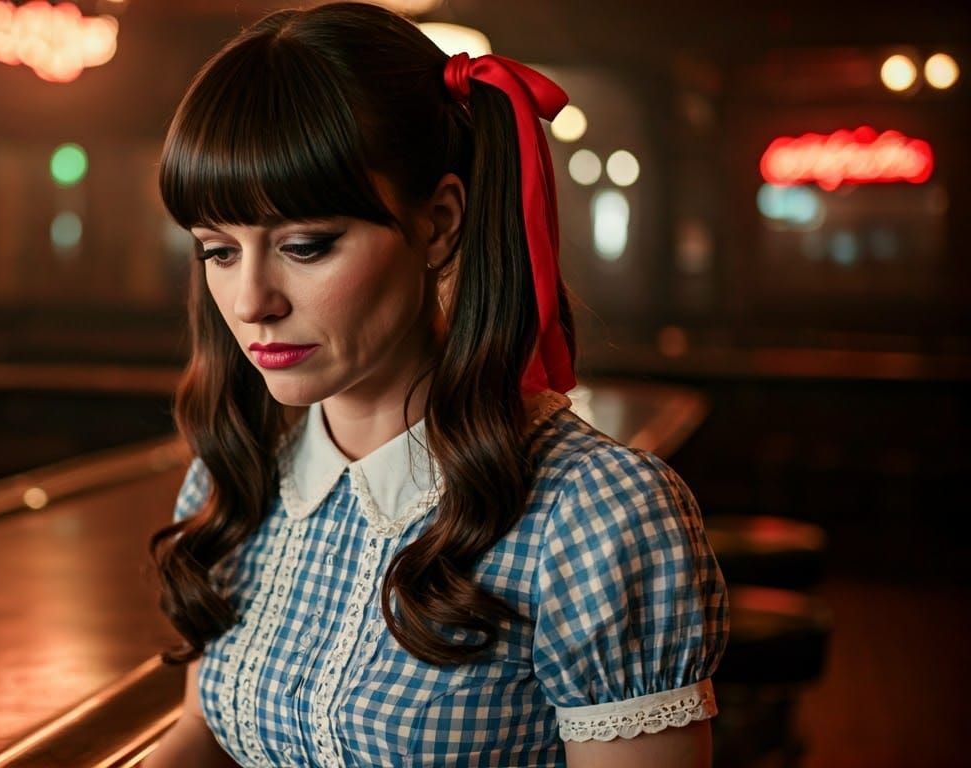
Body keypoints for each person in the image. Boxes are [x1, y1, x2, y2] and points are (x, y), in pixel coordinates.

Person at [145, 3, 729, 766]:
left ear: (440, 222)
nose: (253, 300)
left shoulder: (591, 516)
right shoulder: (236, 476)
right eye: (218, 251)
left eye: (306, 245)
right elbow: (204, 734)